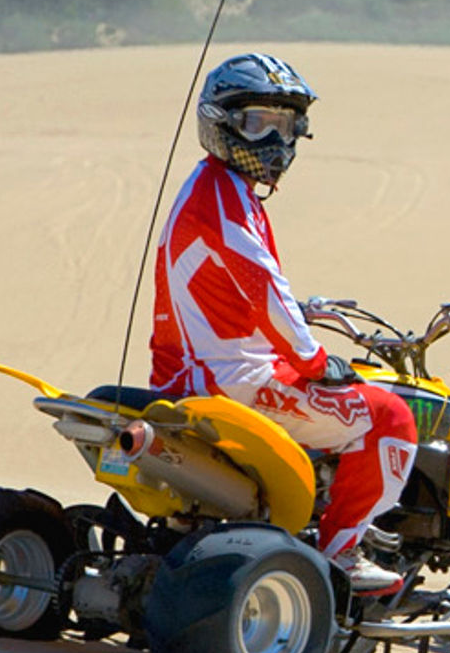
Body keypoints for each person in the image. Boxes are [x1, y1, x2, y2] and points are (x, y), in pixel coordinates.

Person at [148, 52, 416, 594]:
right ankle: (341, 549)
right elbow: (264, 288)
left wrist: (303, 315)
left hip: (191, 370)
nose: (273, 142)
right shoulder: (224, 199)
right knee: (390, 417)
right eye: (256, 123)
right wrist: (315, 360)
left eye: (285, 125)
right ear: (220, 122)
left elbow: (237, 287)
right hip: (232, 380)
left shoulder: (213, 187)